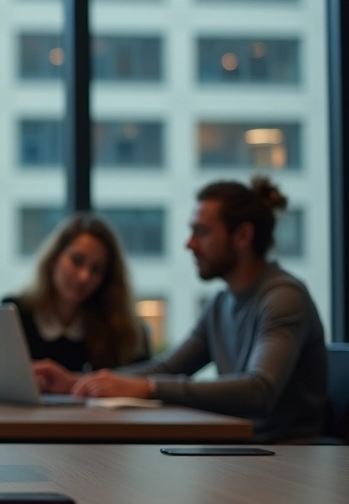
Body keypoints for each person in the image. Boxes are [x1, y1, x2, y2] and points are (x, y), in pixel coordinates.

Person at [35, 177, 328, 442]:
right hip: (245, 449)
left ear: (242, 236)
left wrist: (148, 388)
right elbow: (168, 368)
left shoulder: (283, 297)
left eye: (201, 232)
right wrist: (78, 382)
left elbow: (259, 390)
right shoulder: (220, 305)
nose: (190, 244)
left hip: (288, 458)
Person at [5, 212, 148, 374]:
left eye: (97, 269)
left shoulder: (120, 329)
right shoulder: (13, 314)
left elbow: (141, 382)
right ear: (53, 259)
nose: (84, 277)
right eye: (77, 260)